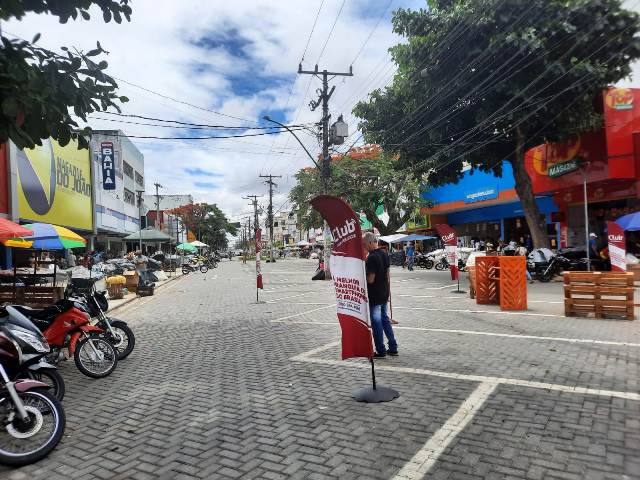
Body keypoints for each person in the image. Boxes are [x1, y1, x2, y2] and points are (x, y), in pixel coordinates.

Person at [364, 232, 398, 358]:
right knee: (385, 319)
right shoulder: (384, 254)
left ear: (371, 242)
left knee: (377, 322)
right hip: (384, 292)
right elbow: (387, 273)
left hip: (375, 295)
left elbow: (371, 279)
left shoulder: (372, 258)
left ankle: (380, 350)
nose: (364, 246)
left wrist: (363, 277)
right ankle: (393, 347)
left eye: (364, 244)